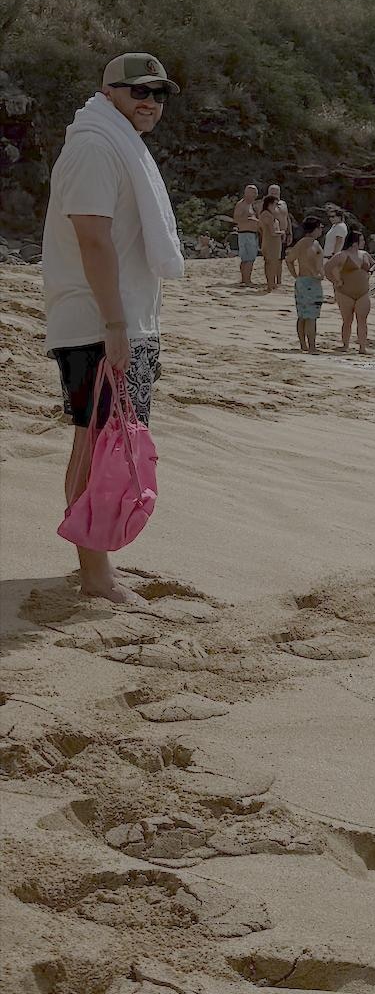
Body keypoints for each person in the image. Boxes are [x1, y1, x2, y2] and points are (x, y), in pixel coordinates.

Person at [41, 53, 187, 609]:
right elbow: (92, 237)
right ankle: (94, 571)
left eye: (160, 94)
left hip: (119, 318)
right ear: (109, 91)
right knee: (96, 438)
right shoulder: (95, 146)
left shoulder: (118, 142)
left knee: (108, 435)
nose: (150, 102)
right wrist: (115, 324)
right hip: (99, 321)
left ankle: (94, 556)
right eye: (138, 91)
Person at [331, 229, 373, 353]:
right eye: (362, 240)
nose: (364, 242)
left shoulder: (364, 254)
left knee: (362, 320)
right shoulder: (342, 255)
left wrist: (370, 271)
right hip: (345, 292)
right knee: (347, 320)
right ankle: (345, 345)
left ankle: (362, 347)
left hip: (363, 292)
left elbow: (374, 264)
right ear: (354, 242)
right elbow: (328, 268)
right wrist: (336, 281)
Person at [288, 218, 326, 353]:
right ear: (315, 229)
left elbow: (289, 259)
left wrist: (296, 275)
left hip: (303, 281)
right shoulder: (311, 243)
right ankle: (311, 346)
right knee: (311, 316)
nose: (322, 230)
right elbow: (310, 259)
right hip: (310, 281)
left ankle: (304, 344)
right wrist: (316, 273)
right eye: (320, 227)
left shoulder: (301, 243)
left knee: (303, 315)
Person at [259, 185, 291, 289]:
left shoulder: (282, 205)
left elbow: (287, 218)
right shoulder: (266, 212)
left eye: (276, 192)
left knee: (278, 259)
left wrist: (288, 232)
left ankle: (277, 281)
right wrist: (281, 233)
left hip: (278, 238)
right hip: (271, 239)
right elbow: (268, 229)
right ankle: (270, 283)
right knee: (270, 261)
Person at [232, 182, 263, 288]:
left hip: (251, 233)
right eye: (252, 193)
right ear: (246, 193)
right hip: (245, 233)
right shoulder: (242, 204)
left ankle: (244, 279)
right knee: (249, 258)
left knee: (247, 258)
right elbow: (236, 219)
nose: (254, 195)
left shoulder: (252, 205)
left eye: (255, 193)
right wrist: (249, 219)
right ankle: (247, 280)